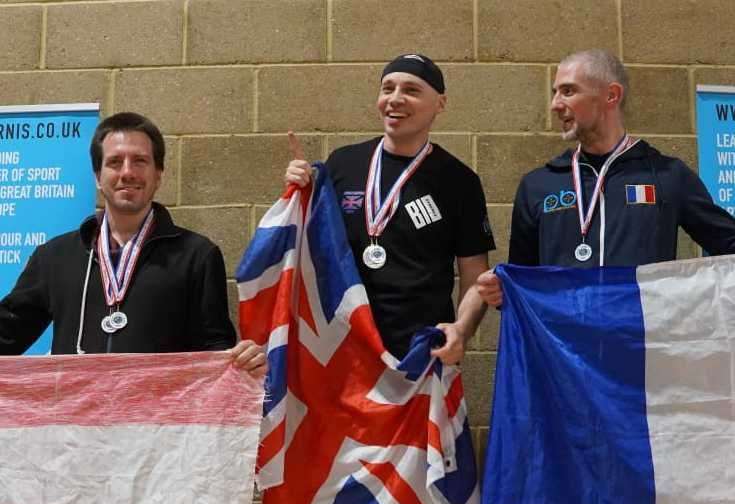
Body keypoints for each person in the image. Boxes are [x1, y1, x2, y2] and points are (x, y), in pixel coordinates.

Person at [0, 112, 266, 374]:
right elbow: (8, 333)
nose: (127, 172)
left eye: (140, 161)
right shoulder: (55, 257)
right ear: (97, 176)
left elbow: (214, 351)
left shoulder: (196, 255)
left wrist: (243, 366)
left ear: (158, 174)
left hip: (159, 416)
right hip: (76, 417)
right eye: (115, 162)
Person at [478, 49, 735, 306]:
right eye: (555, 92)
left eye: (568, 91)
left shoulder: (667, 176)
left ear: (611, 95)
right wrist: (502, 293)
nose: (555, 104)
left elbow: (728, 245)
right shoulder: (538, 185)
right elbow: (522, 280)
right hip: (564, 345)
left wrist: (686, 303)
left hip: (640, 341)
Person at [286, 54, 496, 363]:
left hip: (420, 353)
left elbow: (475, 275)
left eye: (411, 90)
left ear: (440, 103)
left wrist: (460, 331)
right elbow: (309, 249)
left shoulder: (459, 180)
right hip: (344, 351)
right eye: (388, 88)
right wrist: (298, 193)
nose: (395, 99)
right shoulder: (343, 163)